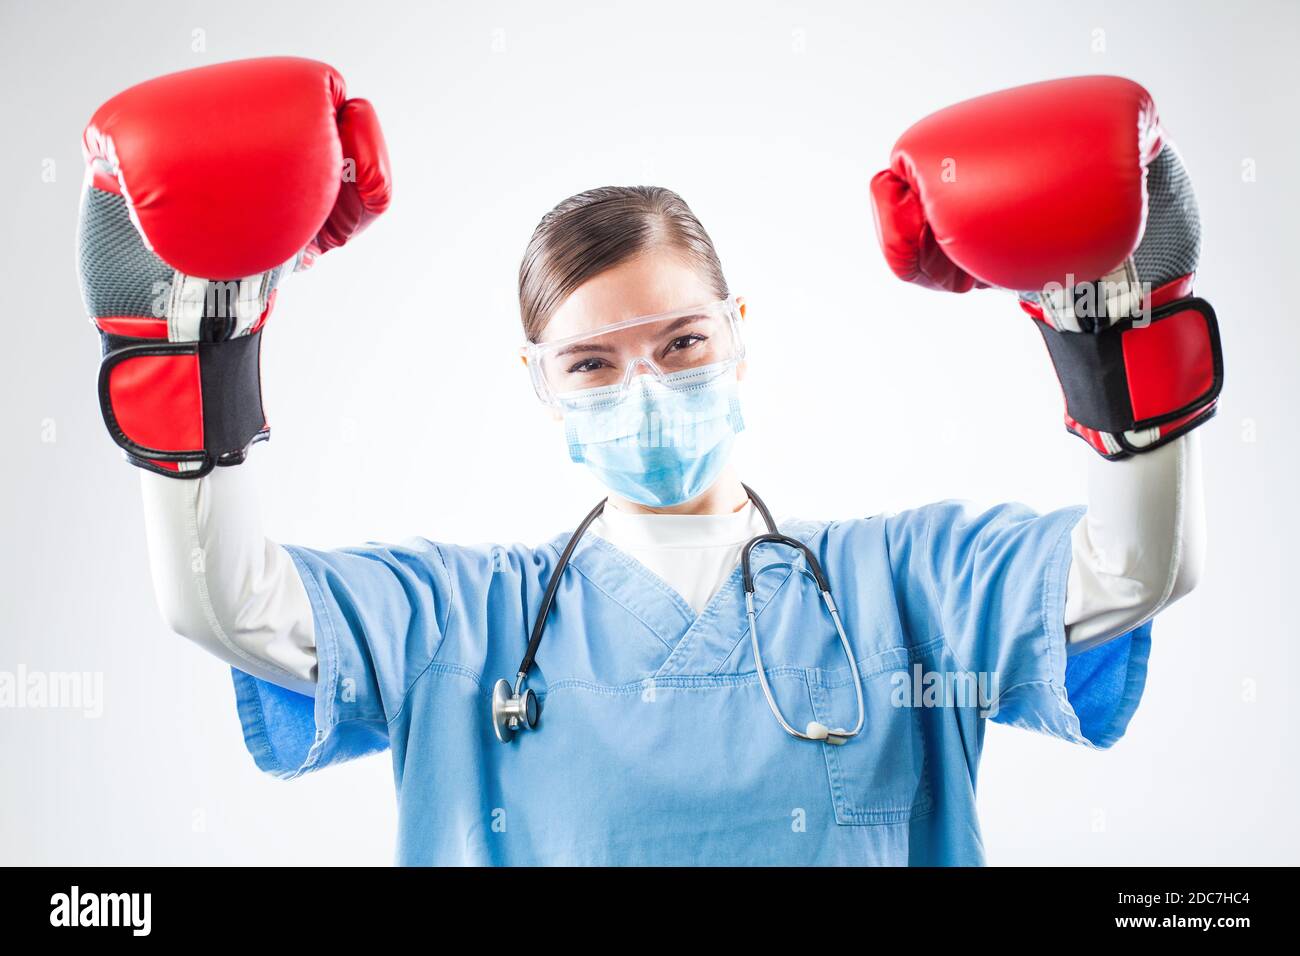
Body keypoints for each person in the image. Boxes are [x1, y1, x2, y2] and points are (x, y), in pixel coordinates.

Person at [79, 61, 1220, 865]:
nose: (645, 388)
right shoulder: (458, 617)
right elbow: (223, 603)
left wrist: (1112, 329)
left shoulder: (907, 582)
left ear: (737, 329)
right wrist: (195, 352)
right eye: (590, 364)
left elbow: (1133, 571)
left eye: (680, 343)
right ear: (537, 379)